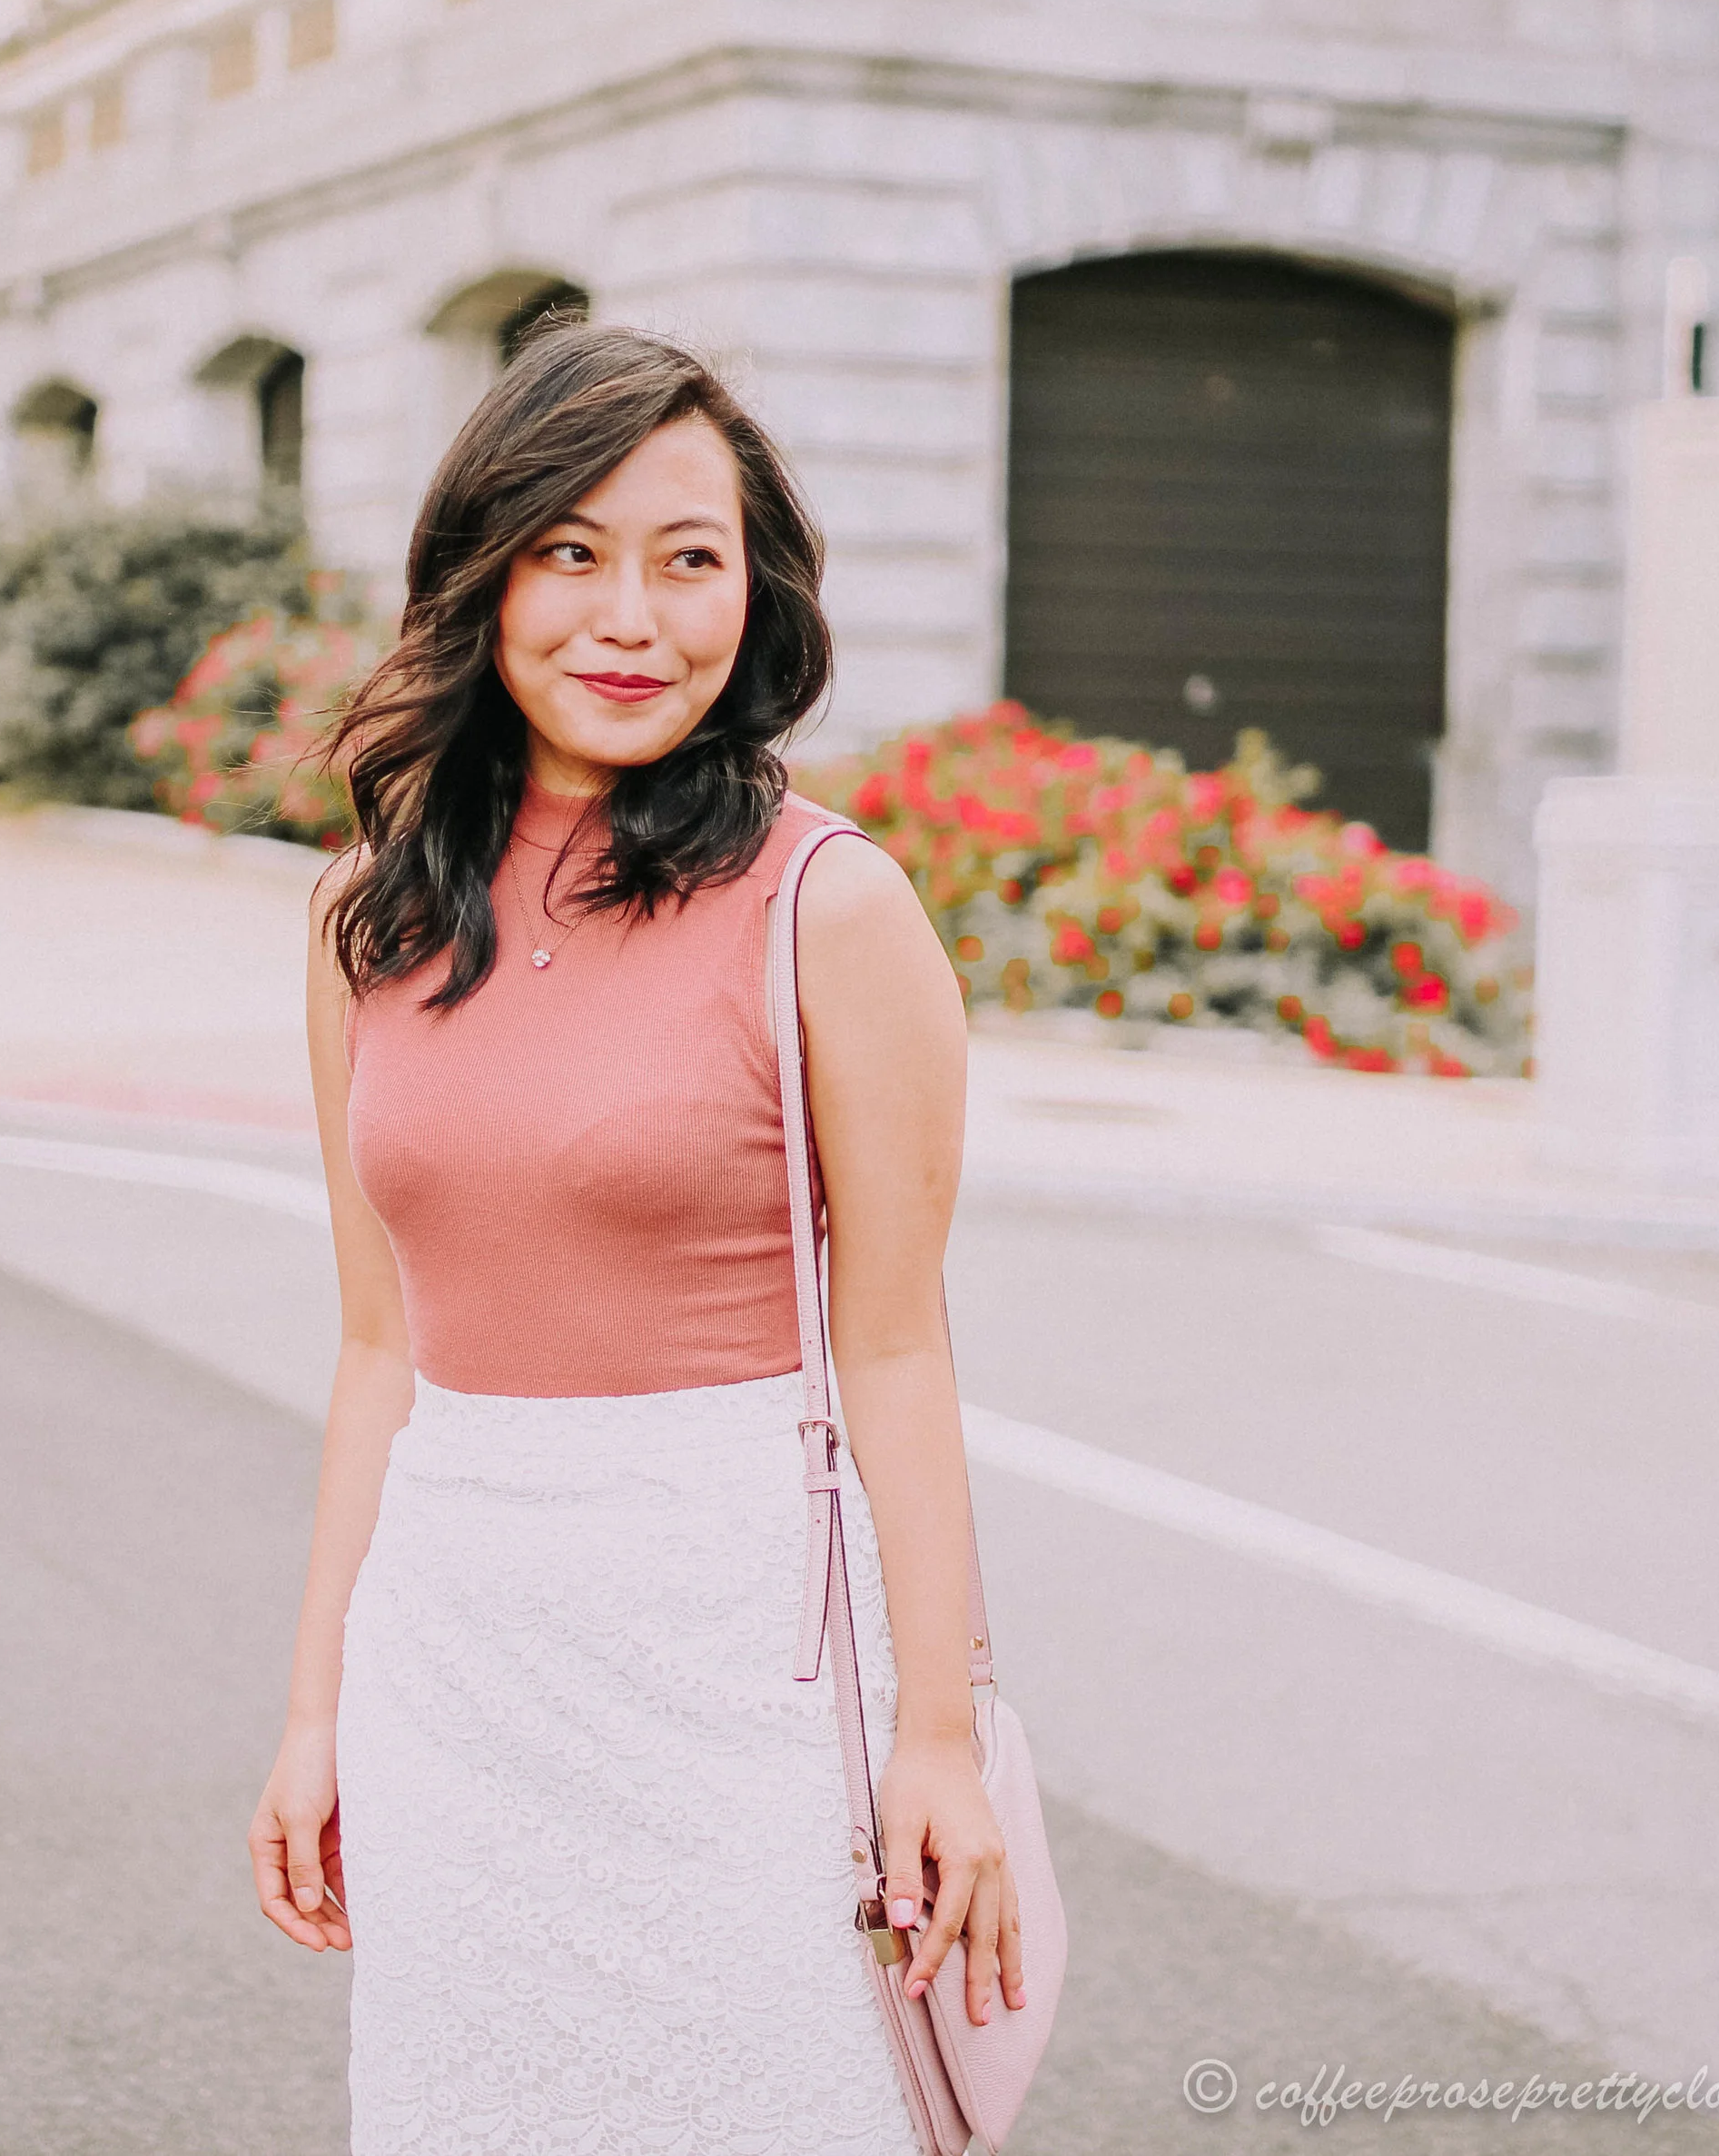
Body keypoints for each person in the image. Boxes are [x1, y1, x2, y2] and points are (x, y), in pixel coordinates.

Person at [248, 322, 1025, 2154]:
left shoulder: (825, 905)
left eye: (690, 558)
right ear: (482, 573)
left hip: (731, 1665)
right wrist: (315, 1711)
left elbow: (896, 1345)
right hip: (453, 1659)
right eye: (571, 551)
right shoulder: (366, 914)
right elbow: (378, 1344)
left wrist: (937, 1732)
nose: (634, 615)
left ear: (752, 594)